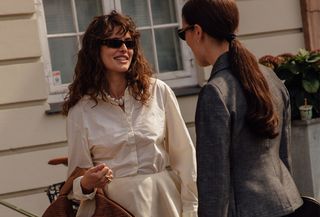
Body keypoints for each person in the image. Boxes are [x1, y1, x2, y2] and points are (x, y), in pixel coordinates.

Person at [62, 10, 198, 217]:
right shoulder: (80, 110)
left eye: (129, 43)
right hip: (112, 207)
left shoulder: (158, 91)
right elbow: (76, 183)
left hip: (164, 203)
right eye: (114, 43)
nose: (124, 49)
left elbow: (185, 158)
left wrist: (191, 208)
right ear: (95, 50)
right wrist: (88, 183)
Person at [177, 0, 303, 216]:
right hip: (288, 203)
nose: (185, 41)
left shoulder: (215, 92)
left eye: (183, 33)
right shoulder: (270, 77)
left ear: (197, 31)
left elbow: (213, 180)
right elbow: (283, 156)